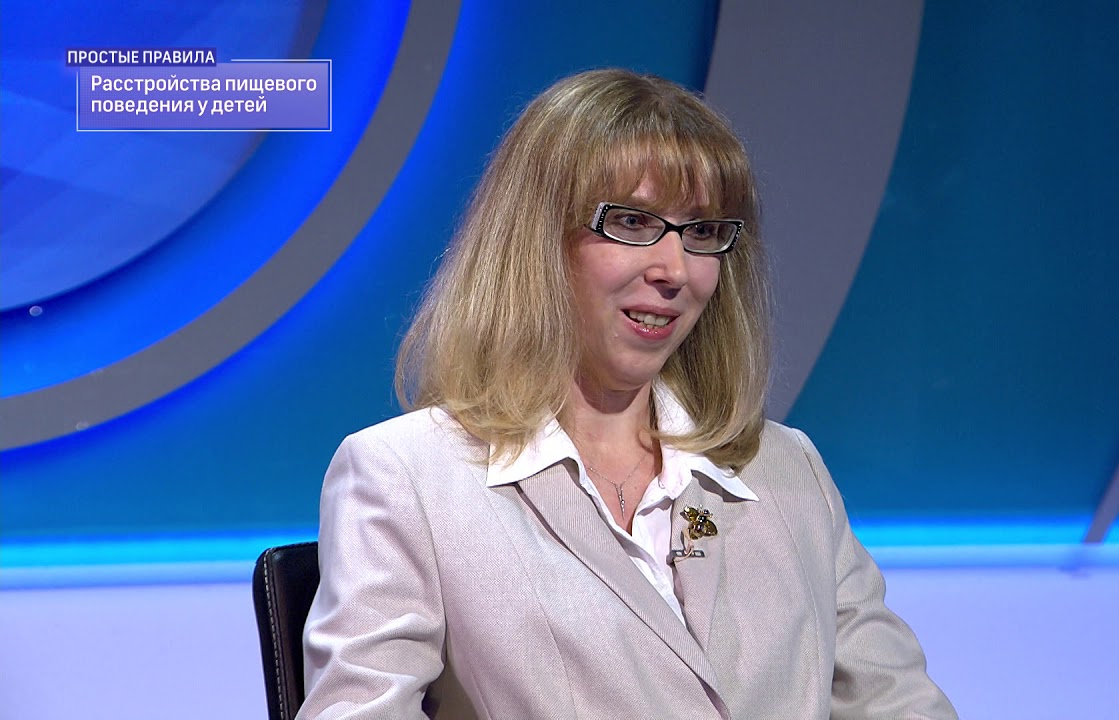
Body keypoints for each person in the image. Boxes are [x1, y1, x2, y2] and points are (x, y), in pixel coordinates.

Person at [299, 68, 956, 719]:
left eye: (702, 232)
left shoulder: (787, 469)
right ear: (538, 240)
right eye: (634, 222)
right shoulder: (408, 476)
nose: (674, 270)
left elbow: (900, 706)